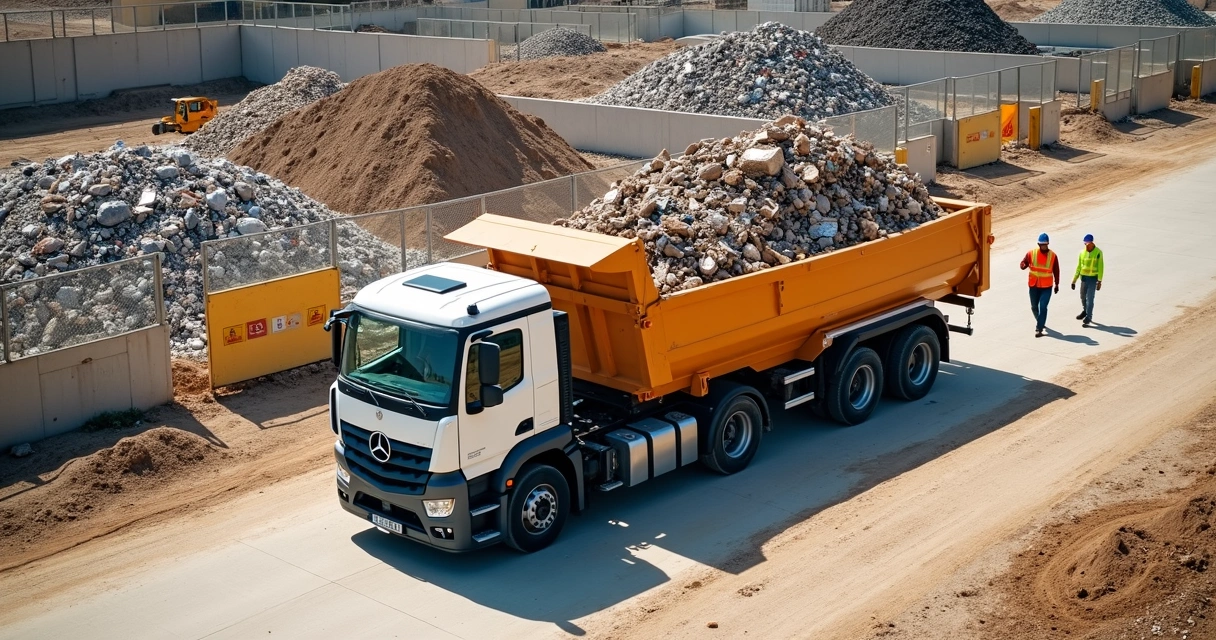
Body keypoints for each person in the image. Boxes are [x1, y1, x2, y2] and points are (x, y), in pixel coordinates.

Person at [1020, 233, 1060, 338]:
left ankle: (1039, 328)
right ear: (1038, 244)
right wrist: (1023, 265)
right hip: (1034, 285)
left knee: (1043, 307)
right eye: (1042, 244)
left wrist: (1057, 284)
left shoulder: (1053, 256)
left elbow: (1056, 270)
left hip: (1047, 287)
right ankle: (1040, 321)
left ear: (1048, 244)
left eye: (1045, 244)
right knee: (1034, 307)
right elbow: (1023, 262)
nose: (1043, 246)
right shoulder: (1031, 253)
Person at [1071, 233, 1104, 327]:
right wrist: (1074, 280)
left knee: (1090, 298)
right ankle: (1085, 311)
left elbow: (1101, 267)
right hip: (1084, 278)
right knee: (1082, 296)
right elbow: (1079, 267)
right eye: (1085, 243)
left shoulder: (1098, 252)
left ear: (1092, 243)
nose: (1086, 245)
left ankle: (1089, 317)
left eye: (1088, 243)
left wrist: (1099, 281)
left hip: (1093, 279)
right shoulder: (1082, 253)